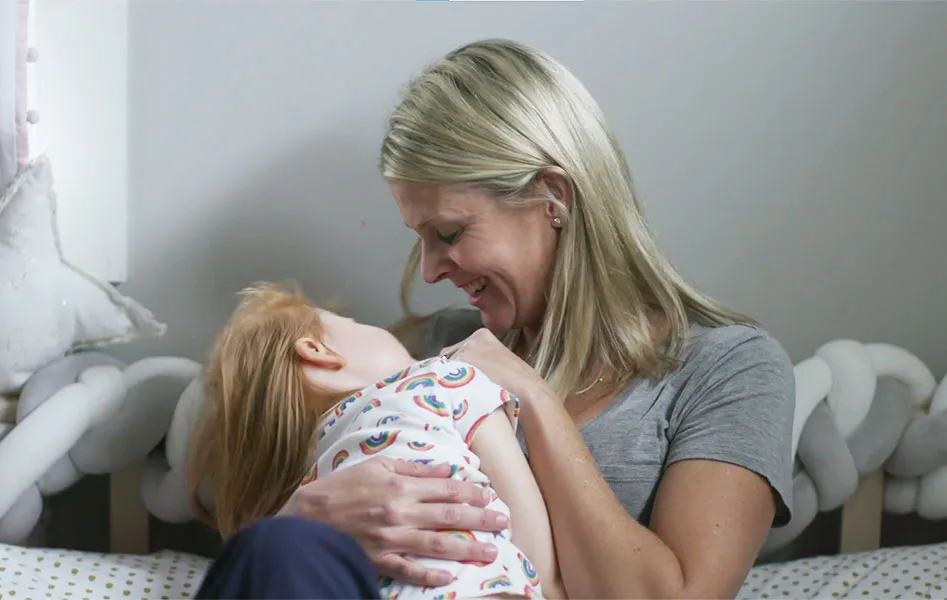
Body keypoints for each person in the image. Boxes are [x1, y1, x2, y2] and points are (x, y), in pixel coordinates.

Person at [197, 37, 796, 599]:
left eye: (449, 232)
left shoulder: (731, 369)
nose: (429, 272)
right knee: (277, 544)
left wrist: (531, 394)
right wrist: (303, 513)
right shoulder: (437, 351)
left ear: (552, 198)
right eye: (420, 239)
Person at [189, 282, 562, 599]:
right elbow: (527, 528)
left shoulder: (313, 480)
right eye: (354, 322)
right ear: (317, 350)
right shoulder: (442, 378)